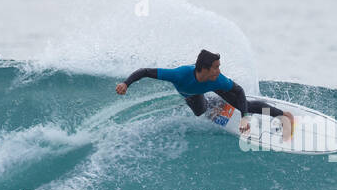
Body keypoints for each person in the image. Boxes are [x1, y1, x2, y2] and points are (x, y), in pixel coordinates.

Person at [116, 49, 294, 138]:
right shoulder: (179, 75)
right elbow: (146, 71)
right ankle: (215, 105)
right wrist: (126, 83)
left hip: (211, 87)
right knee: (201, 111)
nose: (219, 70)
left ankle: (284, 115)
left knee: (241, 104)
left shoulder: (218, 79)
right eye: (216, 67)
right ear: (204, 68)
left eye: (219, 67)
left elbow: (239, 91)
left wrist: (244, 116)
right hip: (191, 93)